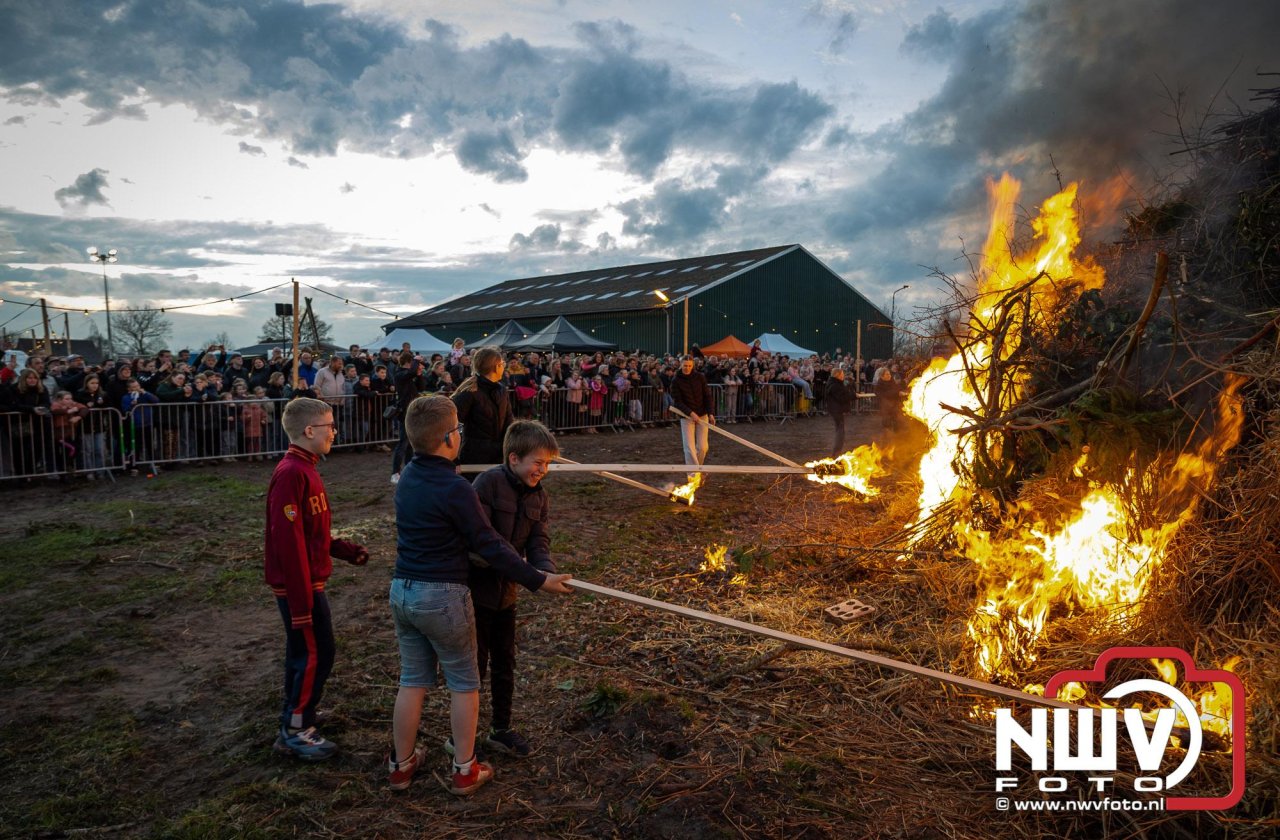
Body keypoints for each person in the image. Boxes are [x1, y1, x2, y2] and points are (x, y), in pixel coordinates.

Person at [387, 395, 573, 795]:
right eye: (458, 429)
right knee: (466, 682)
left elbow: (524, 540)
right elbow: (488, 543)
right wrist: (538, 580)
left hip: (403, 590)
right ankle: (465, 768)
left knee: (413, 680)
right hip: (444, 595)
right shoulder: (459, 488)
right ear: (448, 439)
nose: (461, 435)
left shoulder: (407, 478)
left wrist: (541, 570)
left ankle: (400, 766)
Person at [264, 397, 369, 761]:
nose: (334, 432)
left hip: (308, 580)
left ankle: (300, 713)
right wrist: (300, 601)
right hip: (300, 586)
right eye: (329, 426)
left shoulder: (307, 468)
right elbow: (288, 541)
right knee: (314, 654)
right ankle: (295, 730)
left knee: (308, 652)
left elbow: (310, 532)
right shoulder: (292, 472)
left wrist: (341, 549)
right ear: (309, 431)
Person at [468, 421, 560, 758]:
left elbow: (538, 541)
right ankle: (465, 735)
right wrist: (531, 576)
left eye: (548, 464)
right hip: (476, 593)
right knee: (474, 666)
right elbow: (483, 543)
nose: (543, 470)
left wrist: (546, 571)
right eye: (538, 462)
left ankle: (500, 729)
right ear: (513, 458)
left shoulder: (539, 496)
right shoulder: (487, 485)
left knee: (505, 661)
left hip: (507, 593)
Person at [451, 346, 511, 478]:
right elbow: (450, 424)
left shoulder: (502, 390)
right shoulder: (470, 392)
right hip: (475, 459)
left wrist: (511, 448)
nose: (503, 367)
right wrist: (452, 458)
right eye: (502, 364)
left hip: (498, 457)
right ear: (495, 366)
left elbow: (509, 422)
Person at [670, 355, 714, 475]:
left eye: (689, 366)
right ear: (680, 364)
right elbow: (677, 402)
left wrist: (710, 413)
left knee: (703, 447)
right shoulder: (676, 380)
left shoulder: (700, 377)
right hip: (686, 417)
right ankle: (693, 475)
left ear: (693, 365)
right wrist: (690, 413)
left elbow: (707, 396)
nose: (687, 368)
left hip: (703, 414)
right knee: (689, 448)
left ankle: (698, 469)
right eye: (685, 365)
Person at [824, 366, 854, 458]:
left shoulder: (836, 383)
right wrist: (854, 396)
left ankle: (837, 452)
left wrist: (850, 385)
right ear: (838, 375)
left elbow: (844, 392)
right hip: (836, 410)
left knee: (840, 429)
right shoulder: (834, 385)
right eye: (842, 374)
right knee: (840, 431)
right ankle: (836, 453)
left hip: (836, 410)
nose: (843, 376)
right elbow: (842, 397)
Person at [873, 367, 906, 431]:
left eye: (889, 374)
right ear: (882, 376)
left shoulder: (892, 382)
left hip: (895, 406)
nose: (889, 376)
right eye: (887, 374)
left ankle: (897, 436)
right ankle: (887, 437)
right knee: (887, 424)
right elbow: (883, 395)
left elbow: (897, 389)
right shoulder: (879, 386)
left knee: (897, 422)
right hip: (885, 408)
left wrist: (900, 392)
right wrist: (896, 393)